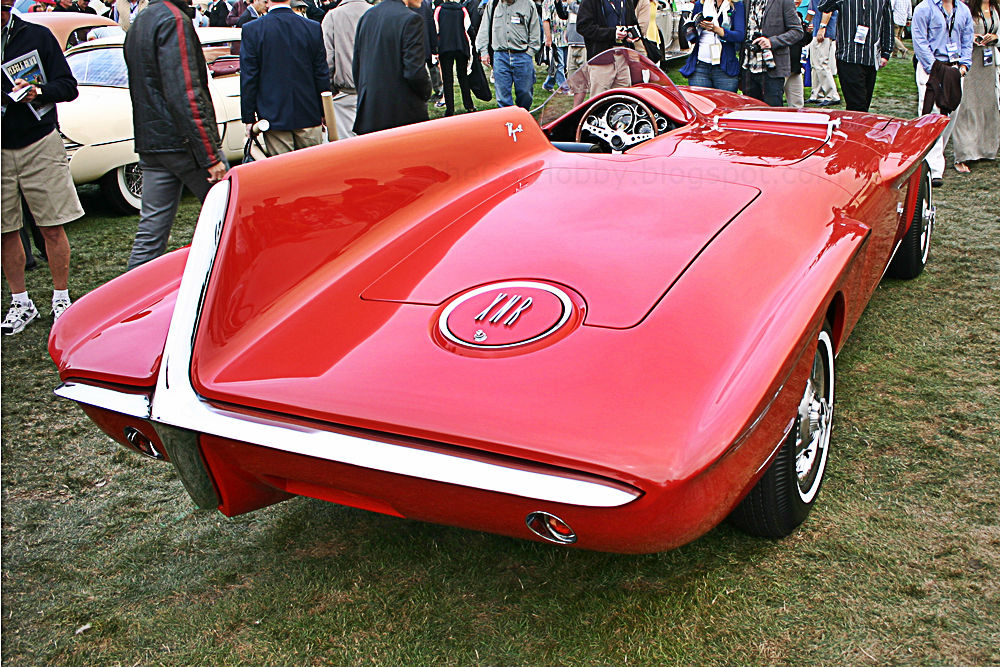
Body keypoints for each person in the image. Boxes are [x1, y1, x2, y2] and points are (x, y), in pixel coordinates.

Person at [123, 0, 227, 270]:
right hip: (183, 142)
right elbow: (185, 91)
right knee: (230, 216)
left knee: (150, 234)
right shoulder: (173, 20)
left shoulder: (143, 21)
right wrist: (209, 154)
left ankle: (131, 303)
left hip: (154, 141)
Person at [1, 0, 82, 334]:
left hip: (38, 139)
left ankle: (61, 297)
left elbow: (68, 87)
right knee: (5, 229)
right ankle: (20, 302)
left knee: (52, 224)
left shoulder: (36, 35)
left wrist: (38, 91)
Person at [240, 0, 329, 154]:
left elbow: (249, 77)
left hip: (273, 115)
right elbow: (321, 73)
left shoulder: (252, 29)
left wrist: (249, 117)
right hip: (308, 111)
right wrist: (324, 111)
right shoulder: (312, 27)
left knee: (283, 173)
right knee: (313, 171)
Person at [912, 0, 974, 184]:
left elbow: (967, 40)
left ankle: (933, 156)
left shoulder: (963, 10)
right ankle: (934, 168)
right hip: (931, 68)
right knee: (932, 114)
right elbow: (919, 40)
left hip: (954, 70)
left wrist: (963, 66)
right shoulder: (924, 8)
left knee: (950, 113)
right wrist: (934, 68)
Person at [353, 0, 432, 132]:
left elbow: (357, 67)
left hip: (370, 114)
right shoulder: (411, 19)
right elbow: (414, 72)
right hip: (403, 115)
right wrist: (426, 92)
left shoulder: (367, 17)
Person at [817, 0, 892, 111]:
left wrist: (886, 52)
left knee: (864, 104)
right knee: (857, 105)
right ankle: (855, 126)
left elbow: (887, 23)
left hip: (870, 57)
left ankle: (856, 126)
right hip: (848, 57)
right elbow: (824, 7)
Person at [951, 0, 999, 172]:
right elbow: (953, 33)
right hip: (970, 60)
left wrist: (995, 37)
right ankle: (963, 154)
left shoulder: (994, 8)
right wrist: (970, 38)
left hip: (988, 62)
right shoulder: (965, 9)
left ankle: (985, 148)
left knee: (987, 103)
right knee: (967, 105)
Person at [475, 0, 541, 108]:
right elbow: (484, 29)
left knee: (525, 93)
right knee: (502, 95)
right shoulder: (493, 4)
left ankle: (522, 118)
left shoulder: (528, 4)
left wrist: (530, 52)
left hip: (522, 56)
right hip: (500, 56)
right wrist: (483, 52)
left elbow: (535, 32)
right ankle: (508, 121)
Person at [320, 0, 370, 137]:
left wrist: (329, 91)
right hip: (375, 92)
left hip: (344, 94)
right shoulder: (375, 13)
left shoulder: (332, 17)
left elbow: (328, 60)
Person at [740, 0, 803, 106]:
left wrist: (771, 42)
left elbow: (797, 31)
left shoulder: (784, 2)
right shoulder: (746, 2)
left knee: (772, 113)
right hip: (748, 66)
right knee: (751, 114)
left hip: (772, 68)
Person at [576, 0, 646, 96]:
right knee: (599, 101)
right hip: (601, 58)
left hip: (623, 57)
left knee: (623, 99)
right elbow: (583, 27)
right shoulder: (590, 2)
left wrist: (631, 34)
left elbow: (632, 21)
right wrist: (612, 33)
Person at [679, 0, 747, 92]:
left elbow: (739, 35)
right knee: (701, 103)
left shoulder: (736, 5)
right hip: (700, 66)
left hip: (725, 68)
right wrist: (690, 31)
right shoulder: (700, 4)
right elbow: (693, 38)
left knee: (725, 104)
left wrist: (717, 30)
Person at [434, 0, 477, 114]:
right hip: (461, 46)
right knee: (463, 77)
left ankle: (450, 109)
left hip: (445, 47)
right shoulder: (462, 9)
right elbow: (468, 28)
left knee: (447, 79)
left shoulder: (439, 10)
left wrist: (435, 49)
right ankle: (469, 105)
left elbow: (436, 29)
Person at [805, 0, 839, 104]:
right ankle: (816, 94)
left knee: (821, 63)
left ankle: (832, 95)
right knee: (814, 64)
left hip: (824, 32)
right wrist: (807, 23)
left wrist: (822, 27)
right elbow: (812, 10)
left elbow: (828, 10)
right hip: (816, 30)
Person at [541, 0, 568, 90]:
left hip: (566, 38)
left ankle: (548, 84)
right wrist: (548, 38)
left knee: (560, 65)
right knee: (559, 64)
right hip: (554, 39)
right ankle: (564, 88)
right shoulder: (548, 2)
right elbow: (545, 20)